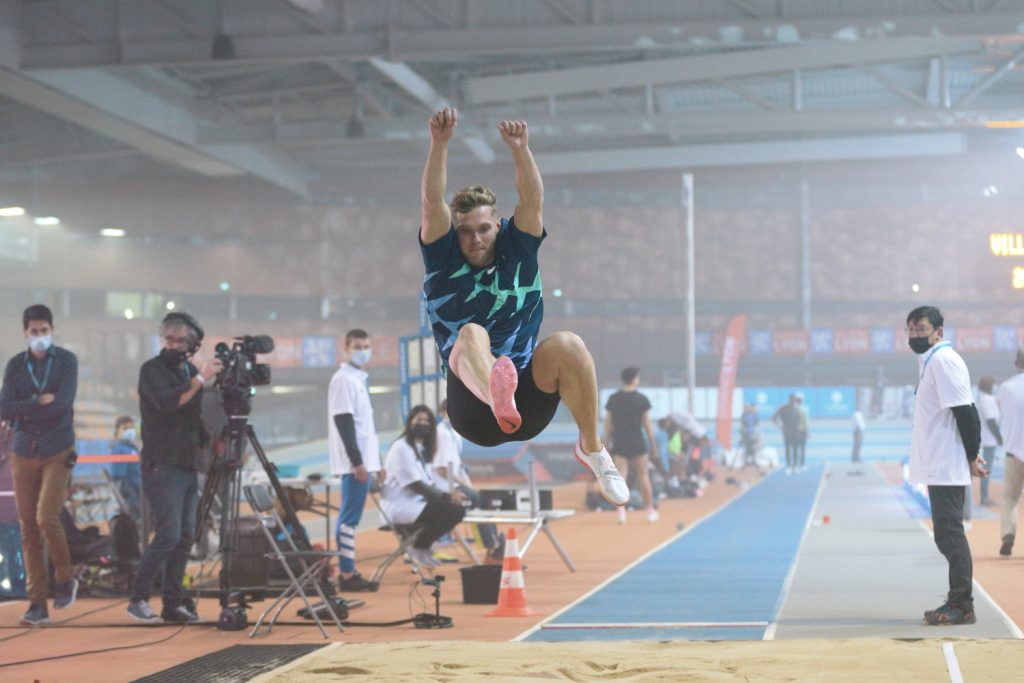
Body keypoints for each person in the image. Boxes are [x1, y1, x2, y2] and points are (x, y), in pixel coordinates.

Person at [418, 107, 628, 506]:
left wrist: (521, 151)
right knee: (471, 334)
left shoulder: (519, 246)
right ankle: (496, 392)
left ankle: (594, 450)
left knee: (568, 343)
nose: (475, 239)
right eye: (464, 232)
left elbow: (532, 198)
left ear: (499, 225)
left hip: (529, 403)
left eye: (483, 229)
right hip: (474, 411)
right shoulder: (443, 260)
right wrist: (439, 144)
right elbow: (431, 202)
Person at [127, 312, 220, 624]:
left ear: (192, 343)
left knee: (184, 538)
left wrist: (211, 440)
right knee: (167, 535)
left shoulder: (189, 370)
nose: (175, 344)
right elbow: (169, 404)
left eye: (181, 340)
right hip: (161, 464)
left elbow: (192, 417)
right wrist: (200, 380)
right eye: (169, 338)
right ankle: (138, 598)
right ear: (161, 339)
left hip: (186, 464)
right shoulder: (151, 371)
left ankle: (173, 603)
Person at [906, 306, 986, 626]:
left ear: (938, 331)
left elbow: (967, 413)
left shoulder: (944, 361)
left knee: (950, 535)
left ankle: (962, 604)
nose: (915, 335)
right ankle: (959, 601)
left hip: (947, 463)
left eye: (921, 329)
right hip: (938, 463)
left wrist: (971, 456)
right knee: (945, 534)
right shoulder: (931, 361)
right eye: (910, 330)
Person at [0, 304, 79, 625]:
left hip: (57, 448)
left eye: (44, 330)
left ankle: (64, 578)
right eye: (34, 332)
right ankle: (37, 603)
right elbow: (4, 409)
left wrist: (25, 410)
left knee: (47, 517)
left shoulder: (67, 362)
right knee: (28, 527)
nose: (40, 337)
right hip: (22, 451)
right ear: (25, 333)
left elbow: (62, 405)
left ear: (52, 330)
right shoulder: (15, 366)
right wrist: (35, 402)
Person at [327, 329, 382, 592]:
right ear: (346, 348)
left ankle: (349, 571)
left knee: (351, 518)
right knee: (349, 519)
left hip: (363, 462)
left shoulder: (358, 380)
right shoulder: (343, 380)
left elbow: (365, 428)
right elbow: (344, 421)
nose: (363, 350)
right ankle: (347, 575)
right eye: (358, 346)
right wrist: (358, 462)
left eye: (366, 345)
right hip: (353, 464)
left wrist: (376, 462)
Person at [380, 405, 467, 569]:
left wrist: (451, 494)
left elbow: (428, 482)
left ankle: (422, 546)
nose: (423, 424)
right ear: (410, 422)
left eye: (427, 421)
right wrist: (448, 497)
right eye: (419, 420)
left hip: (415, 503)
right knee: (452, 510)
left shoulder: (420, 449)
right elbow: (415, 485)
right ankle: (419, 546)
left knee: (457, 509)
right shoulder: (401, 448)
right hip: (399, 506)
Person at [435, 399, 502, 559]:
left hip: (455, 480)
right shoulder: (441, 433)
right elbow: (443, 469)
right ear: (443, 412)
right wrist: (463, 485)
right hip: (445, 483)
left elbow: (457, 463)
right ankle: (491, 545)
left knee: (483, 498)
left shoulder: (455, 434)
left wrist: (468, 484)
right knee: (476, 499)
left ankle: (492, 542)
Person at [604, 367, 658, 523]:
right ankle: (649, 510)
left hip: (619, 440)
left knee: (621, 476)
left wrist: (606, 443)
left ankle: (621, 512)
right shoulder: (642, 399)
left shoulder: (613, 399)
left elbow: (608, 424)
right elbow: (647, 424)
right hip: (637, 441)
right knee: (643, 476)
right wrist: (653, 444)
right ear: (634, 379)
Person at [995, 351, 1024, 557]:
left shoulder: (1006, 388)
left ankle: (1008, 534)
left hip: (1013, 452)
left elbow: (1001, 413)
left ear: (1016, 363)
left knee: (1010, 498)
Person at [110, 415, 141, 520]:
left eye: (132, 428)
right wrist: (134, 503)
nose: (130, 431)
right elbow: (120, 480)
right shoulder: (120, 450)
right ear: (117, 431)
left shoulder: (132, 448)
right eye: (125, 428)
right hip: (136, 498)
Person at [977, 376, 1001, 507]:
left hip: (990, 439)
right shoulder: (985, 400)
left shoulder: (989, 399)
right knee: (987, 469)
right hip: (989, 439)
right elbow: (991, 421)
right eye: (992, 384)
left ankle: (985, 496)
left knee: (987, 468)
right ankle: (984, 498)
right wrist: (999, 437)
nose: (994, 386)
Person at [772, 394, 803, 475]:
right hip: (787, 432)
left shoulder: (797, 409)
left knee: (796, 449)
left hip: (796, 432)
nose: (793, 401)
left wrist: (799, 427)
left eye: (794, 400)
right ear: (789, 400)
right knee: (788, 449)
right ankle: (788, 466)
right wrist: (780, 426)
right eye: (792, 399)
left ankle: (795, 466)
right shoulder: (783, 408)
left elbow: (800, 419)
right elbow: (774, 417)